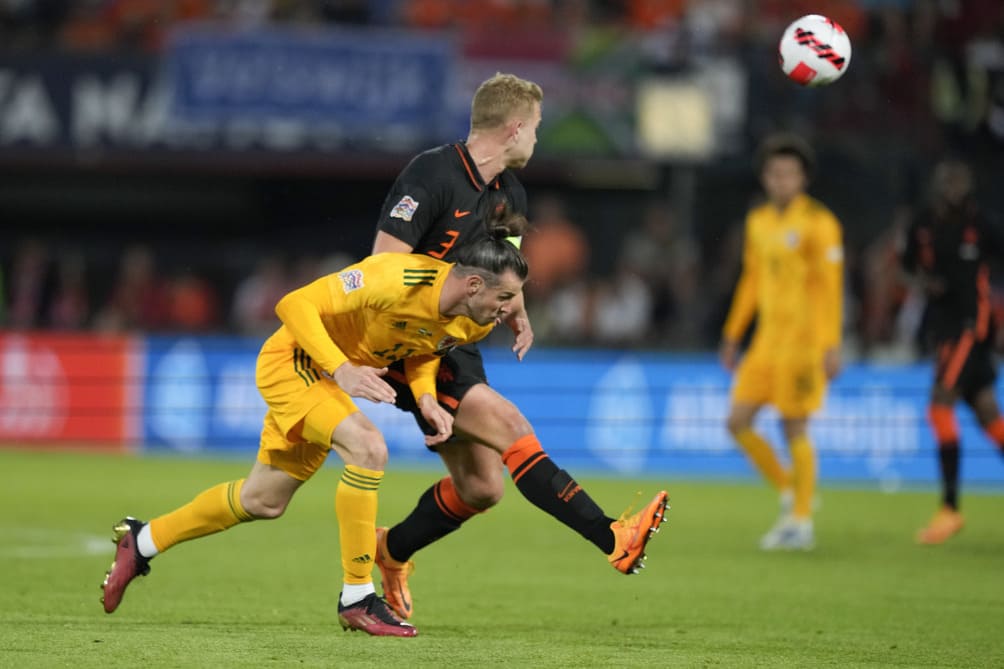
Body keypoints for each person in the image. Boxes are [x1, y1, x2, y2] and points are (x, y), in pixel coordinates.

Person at [99, 225, 531, 638]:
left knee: (262, 500)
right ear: (474, 284)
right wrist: (341, 369)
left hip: (323, 376)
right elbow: (293, 305)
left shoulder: (473, 320)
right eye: (506, 296)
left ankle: (143, 541)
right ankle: (358, 597)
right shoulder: (393, 276)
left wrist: (425, 397)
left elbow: (423, 344)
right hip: (294, 361)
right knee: (368, 448)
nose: (510, 308)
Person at [369, 71, 669, 621]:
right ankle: (614, 537)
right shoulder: (431, 173)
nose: (537, 137)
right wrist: (437, 302)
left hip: (457, 340)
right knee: (511, 428)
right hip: (409, 339)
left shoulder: (510, 191)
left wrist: (519, 309)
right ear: (512, 128)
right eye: (535, 127)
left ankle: (390, 551)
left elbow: (506, 266)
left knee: (483, 488)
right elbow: (382, 267)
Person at [719, 133, 844, 551]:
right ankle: (794, 488)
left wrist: (831, 343)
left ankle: (801, 521)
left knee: (795, 427)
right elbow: (752, 281)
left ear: (803, 178)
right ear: (765, 178)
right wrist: (734, 333)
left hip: (805, 344)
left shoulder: (820, 225)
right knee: (737, 422)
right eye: (775, 173)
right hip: (767, 343)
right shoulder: (758, 223)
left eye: (789, 173)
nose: (781, 181)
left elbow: (831, 289)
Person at [899, 158, 1004, 545]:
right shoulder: (923, 225)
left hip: (970, 329)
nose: (955, 188)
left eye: (961, 181)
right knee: (989, 416)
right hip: (942, 331)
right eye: (949, 181)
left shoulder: (982, 226)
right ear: (938, 183)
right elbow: (904, 268)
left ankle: (949, 509)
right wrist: (922, 282)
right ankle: (949, 510)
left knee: (939, 406)